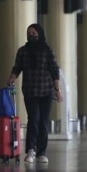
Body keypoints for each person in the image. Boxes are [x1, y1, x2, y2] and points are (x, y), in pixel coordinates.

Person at [8, 23, 62, 164]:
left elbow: (54, 71)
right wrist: (12, 77)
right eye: (29, 33)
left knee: (43, 122)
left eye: (33, 33)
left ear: (40, 34)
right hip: (30, 91)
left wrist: (57, 90)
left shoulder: (47, 51)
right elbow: (17, 67)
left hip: (46, 91)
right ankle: (31, 150)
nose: (31, 35)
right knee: (33, 119)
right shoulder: (23, 51)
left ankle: (41, 153)